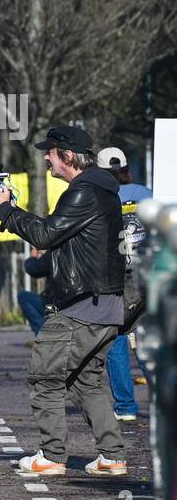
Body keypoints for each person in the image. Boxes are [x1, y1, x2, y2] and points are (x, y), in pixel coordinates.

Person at [0, 125, 126, 477]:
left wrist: (4, 210)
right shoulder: (102, 189)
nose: (46, 158)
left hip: (80, 306)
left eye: (49, 151)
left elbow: (46, 234)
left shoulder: (84, 192)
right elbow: (62, 240)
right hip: (105, 305)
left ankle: (51, 456)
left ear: (66, 156)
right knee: (86, 382)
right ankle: (111, 456)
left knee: (45, 377)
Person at [98, 146, 150, 422]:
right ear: (127, 168)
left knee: (116, 338)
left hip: (119, 277)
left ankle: (126, 406)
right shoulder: (146, 194)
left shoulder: (100, 198)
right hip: (149, 274)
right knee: (149, 338)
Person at [16, 248, 50, 334]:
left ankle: (44, 335)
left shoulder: (54, 253)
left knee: (23, 297)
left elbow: (34, 269)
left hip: (54, 307)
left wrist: (33, 256)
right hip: (78, 307)